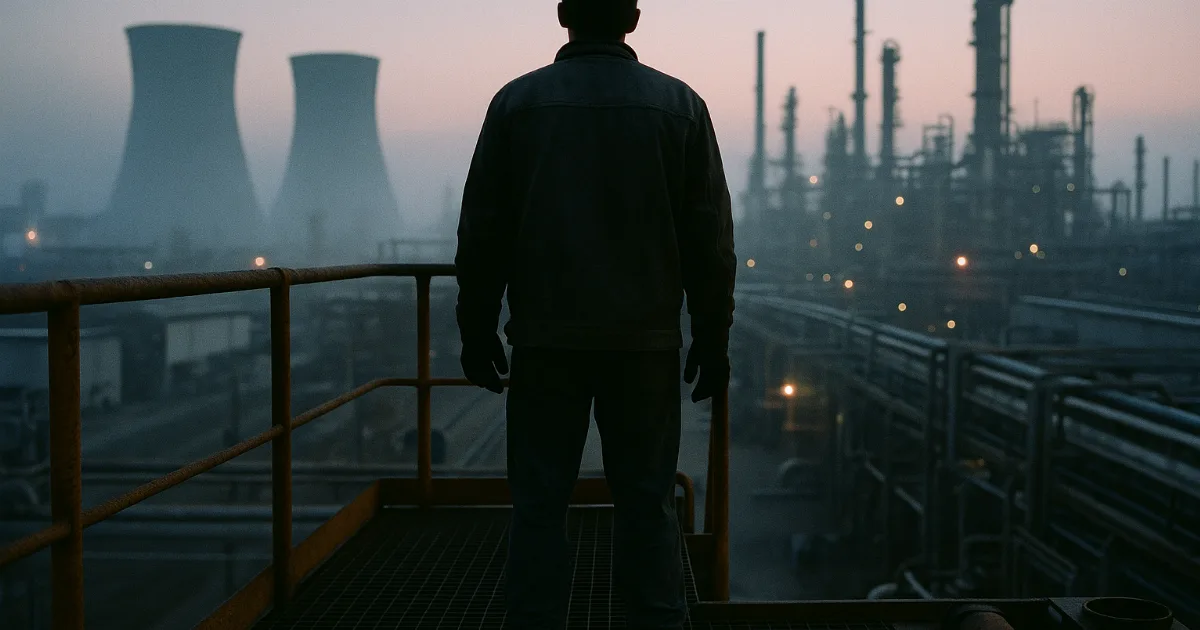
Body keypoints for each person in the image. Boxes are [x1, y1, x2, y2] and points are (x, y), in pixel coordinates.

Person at [454, 0, 736, 627]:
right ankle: (658, 619)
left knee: (538, 504)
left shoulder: (517, 104)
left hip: (545, 342)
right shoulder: (681, 107)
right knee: (648, 503)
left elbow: (483, 231)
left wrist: (475, 328)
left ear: (563, 15)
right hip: (645, 346)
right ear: (632, 20)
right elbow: (709, 241)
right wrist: (712, 339)